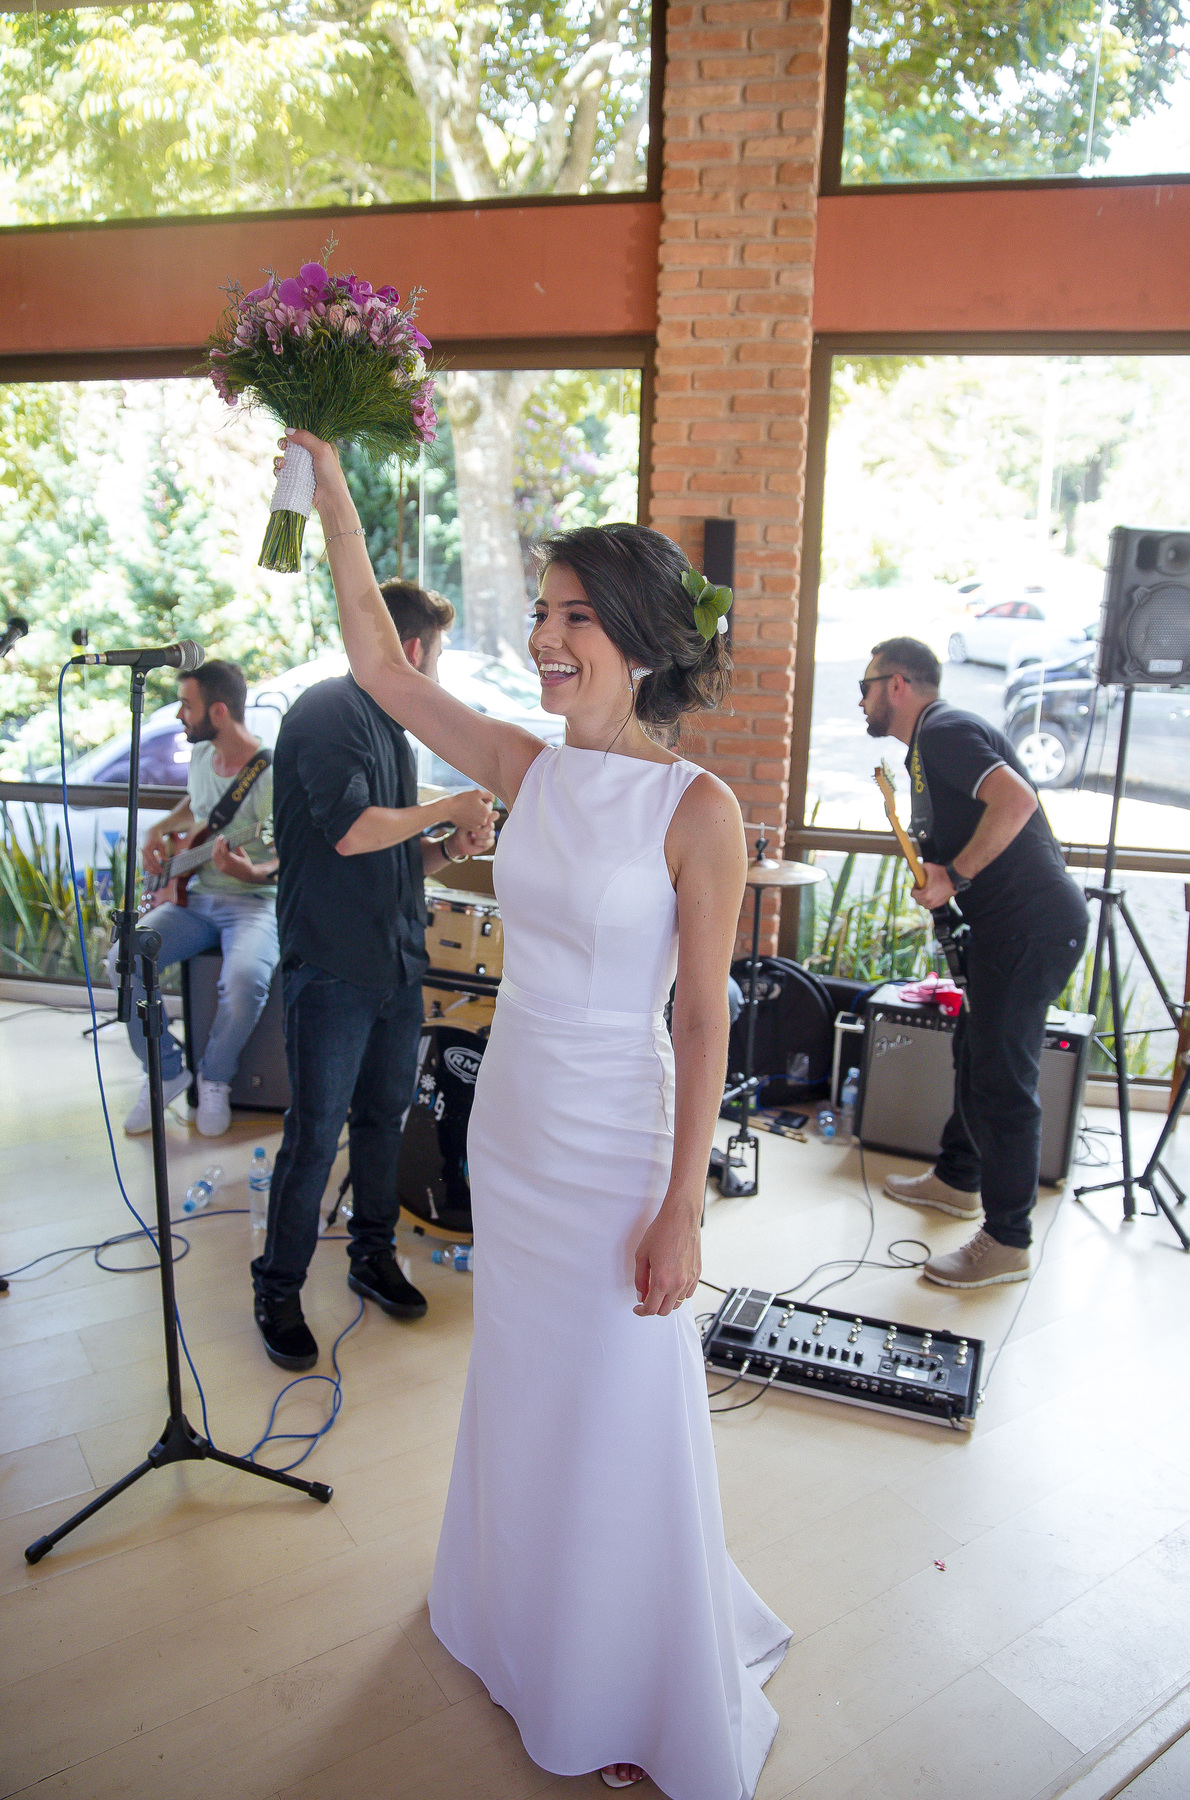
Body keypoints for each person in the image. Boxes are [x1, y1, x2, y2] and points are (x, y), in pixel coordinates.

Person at [281, 425, 791, 1799]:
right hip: (511, 1123)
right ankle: (517, 1620)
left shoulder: (701, 808)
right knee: (526, 1381)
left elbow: (702, 1016)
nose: (548, 637)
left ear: (637, 638)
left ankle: (633, 1672)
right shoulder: (527, 767)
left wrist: (683, 1201)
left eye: (575, 617)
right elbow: (382, 667)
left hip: (619, 1139)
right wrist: (333, 492)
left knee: (621, 1395)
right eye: (546, 614)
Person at [251, 579, 496, 1372]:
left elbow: (396, 855)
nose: (436, 672)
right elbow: (355, 834)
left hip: (394, 960)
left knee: (386, 1119)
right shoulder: (327, 710)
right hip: (331, 964)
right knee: (316, 1134)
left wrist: (449, 848)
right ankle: (279, 1288)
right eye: (439, 656)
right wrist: (446, 805)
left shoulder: (394, 732)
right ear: (411, 650)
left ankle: (370, 1255)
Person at [860, 636, 1089, 1288]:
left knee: (1002, 1080)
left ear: (898, 684)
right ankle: (959, 1180)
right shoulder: (928, 747)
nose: (862, 701)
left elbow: (1016, 801)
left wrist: (953, 875)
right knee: (974, 1051)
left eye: (866, 687)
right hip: (1005, 931)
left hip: (1032, 930)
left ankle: (1008, 1240)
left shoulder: (948, 729)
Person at [108, 658, 280, 1138]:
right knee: (123, 960)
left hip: (255, 902)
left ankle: (215, 1076)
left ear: (219, 711)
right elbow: (198, 808)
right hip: (196, 897)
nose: (180, 715)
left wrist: (252, 869)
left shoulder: (270, 772)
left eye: (187, 705)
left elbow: (287, 852)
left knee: (245, 980)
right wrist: (161, 830)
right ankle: (165, 1072)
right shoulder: (204, 757)